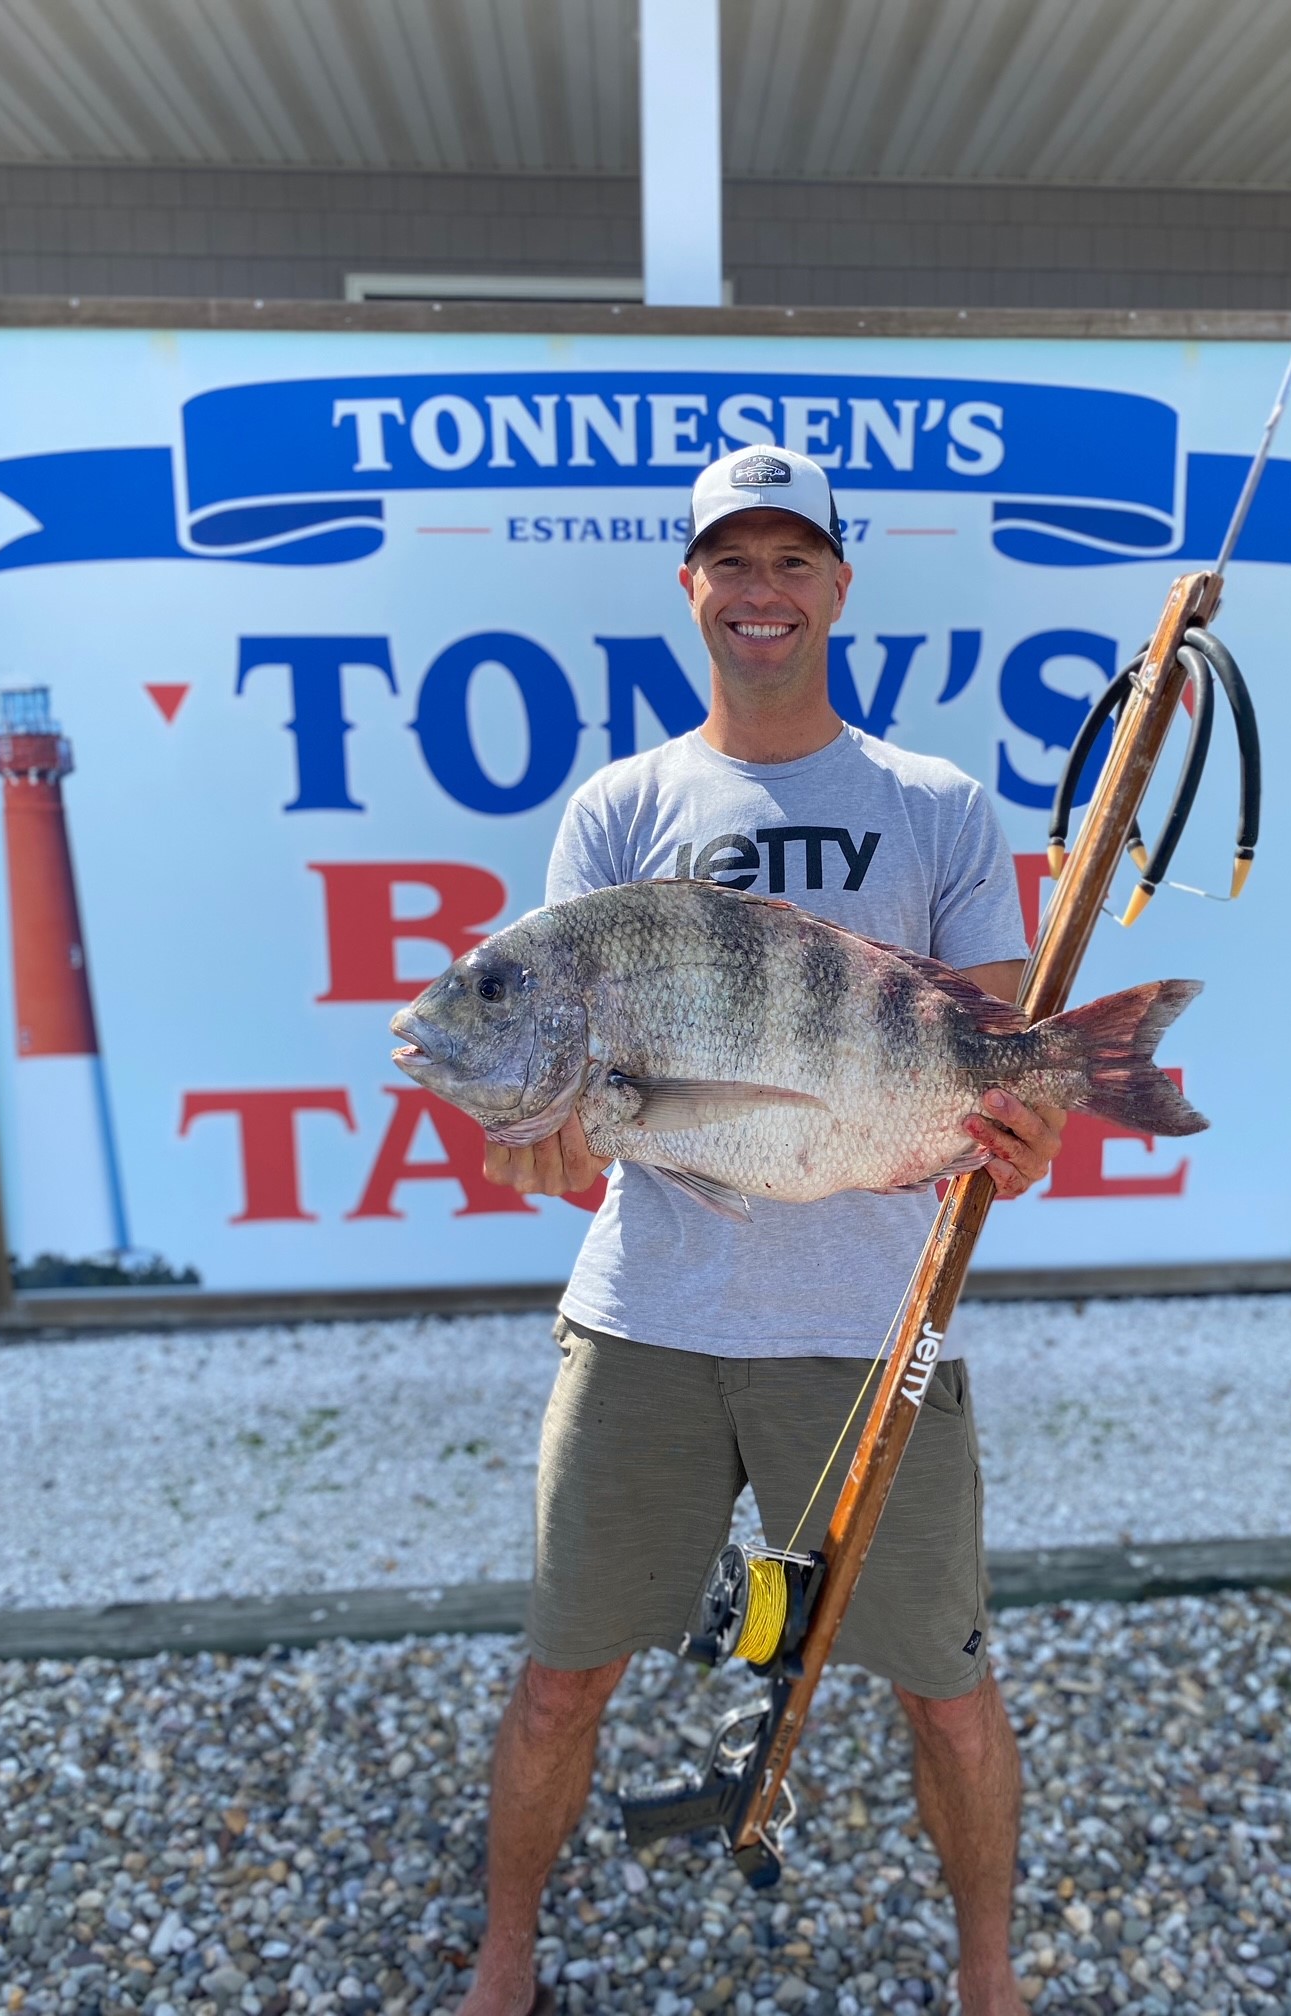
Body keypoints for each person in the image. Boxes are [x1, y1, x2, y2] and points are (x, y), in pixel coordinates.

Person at [460, 447, 1065, 2016]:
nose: (763, 592)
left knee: (945, 1688)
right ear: (692, 590)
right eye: (734, 562)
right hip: (648, 1321)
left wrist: (1023, 1130)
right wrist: (544, 1142)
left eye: (794, 561)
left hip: (874, 1333)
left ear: (841, 588)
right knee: (556, 1681)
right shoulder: (624, 808)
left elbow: (994, 1060)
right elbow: (572, 1095)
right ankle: (505, 1960)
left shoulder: (935, 805)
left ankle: (990, 1977)